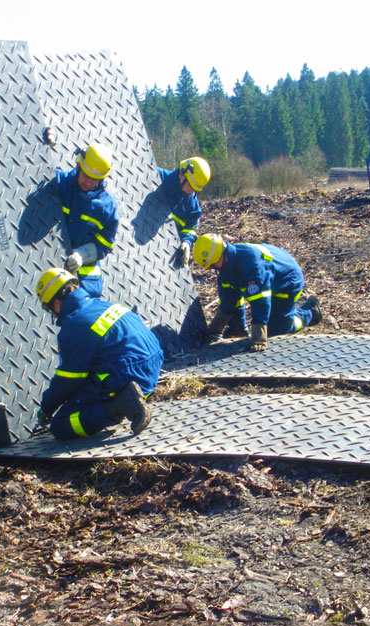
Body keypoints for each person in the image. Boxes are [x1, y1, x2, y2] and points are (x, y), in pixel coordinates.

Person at [35, 267, 163, 440]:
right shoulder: (104, 304)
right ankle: (128, 398)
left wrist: (47, 408)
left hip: (127, 374)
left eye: (50, 308)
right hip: (153, 366)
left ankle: (120, 404)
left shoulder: (73, 325)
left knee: (61, 425)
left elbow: (69, 380)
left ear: (56, 303)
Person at [159, 157, 249, 339]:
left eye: (195, 189)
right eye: (190, 186)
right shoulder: (155, 176)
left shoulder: (190, 201)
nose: (191, 191)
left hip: (165, 254)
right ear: (181, 174)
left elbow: (191, 224)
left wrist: (186, 242)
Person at [193, 234, 322, 352]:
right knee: (233, 293)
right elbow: (228, 300)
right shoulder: (226, 268)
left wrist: (259, 337)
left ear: (218, 256)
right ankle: (237, 329)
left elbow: (261, 301)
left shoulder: (251, 265)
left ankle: (310, 312)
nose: (211, 269)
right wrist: (215, 329)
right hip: (270, 274)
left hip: (287, 281)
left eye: (212, 266)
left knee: (278, 330)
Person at [55, 143, 119, 298]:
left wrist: (82, 255)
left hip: (87, 285)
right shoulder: (59, 185)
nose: (89, 183)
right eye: (87, 176)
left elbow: (106, 244)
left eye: (95, 180)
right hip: (53, 267)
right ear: (78, 166)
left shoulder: (106, 207)